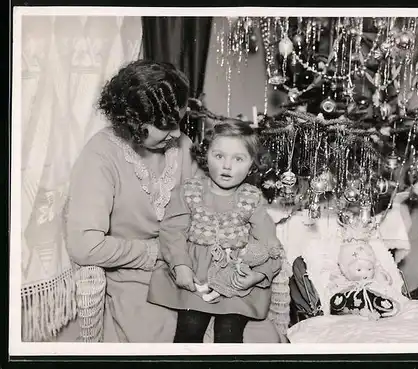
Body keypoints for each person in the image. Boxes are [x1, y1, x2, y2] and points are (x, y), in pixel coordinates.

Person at [66, 60, 282, 343]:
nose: (178, 133)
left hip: (205, 268)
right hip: (137, 281)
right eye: (167, 124)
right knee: (175, 343)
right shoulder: (100, 155)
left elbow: (213, 209)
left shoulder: (181, 146)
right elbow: (86, 246)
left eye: (179, 121)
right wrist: (162, 252)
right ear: (133, 120)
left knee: (261, 341)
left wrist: (240, 264)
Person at [148, 120, 284, 343]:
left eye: (238, 159)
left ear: (252, 164)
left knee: (229, 333)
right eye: (219, 156)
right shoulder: (190, 191)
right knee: (189, 328)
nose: (227, 166)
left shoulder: (251, 199)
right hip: (195, 277)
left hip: (234, 281)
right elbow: (172, 231)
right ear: (205, 155)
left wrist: (257, 275)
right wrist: (180, 265)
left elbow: (271, 245)